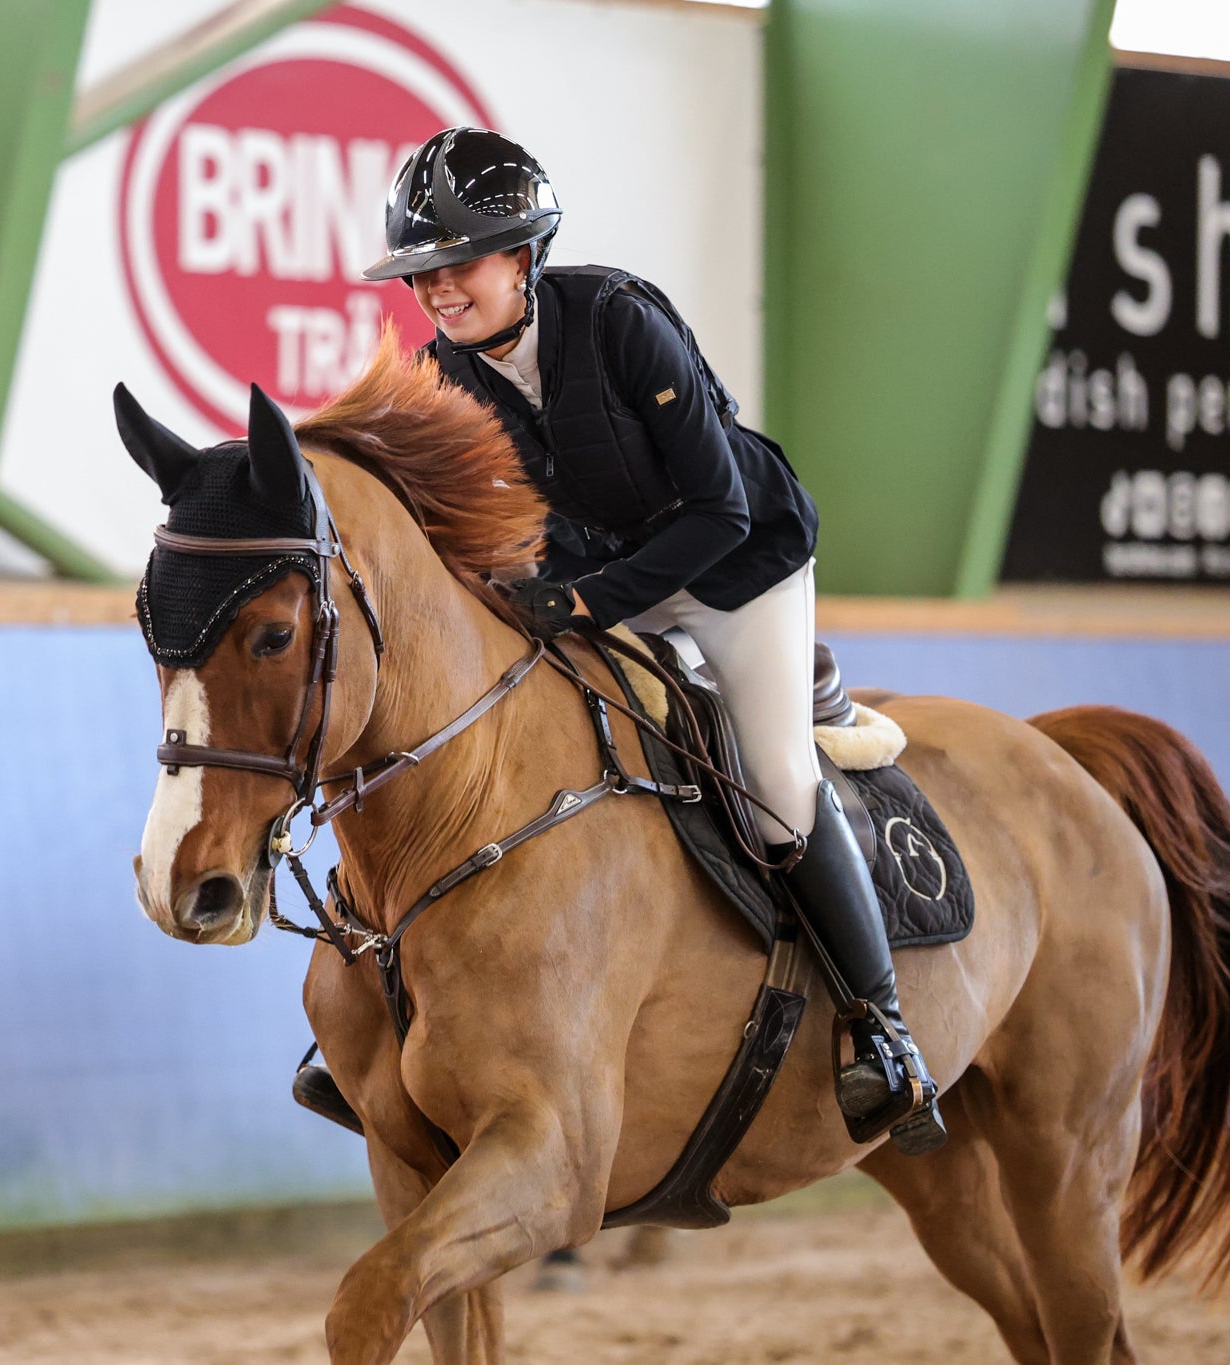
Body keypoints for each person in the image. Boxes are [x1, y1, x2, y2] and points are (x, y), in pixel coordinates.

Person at [313, 127, 943, 1154]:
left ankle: (882, 1033)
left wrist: (584, 604)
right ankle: (368, 1023)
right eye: (421, 274)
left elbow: (717, 511)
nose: (435, 292)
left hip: (738, 570)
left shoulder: (616, 321)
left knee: (777, 786)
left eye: (456, 265)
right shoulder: (436, 382)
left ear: (522, 257)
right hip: (592, 587)